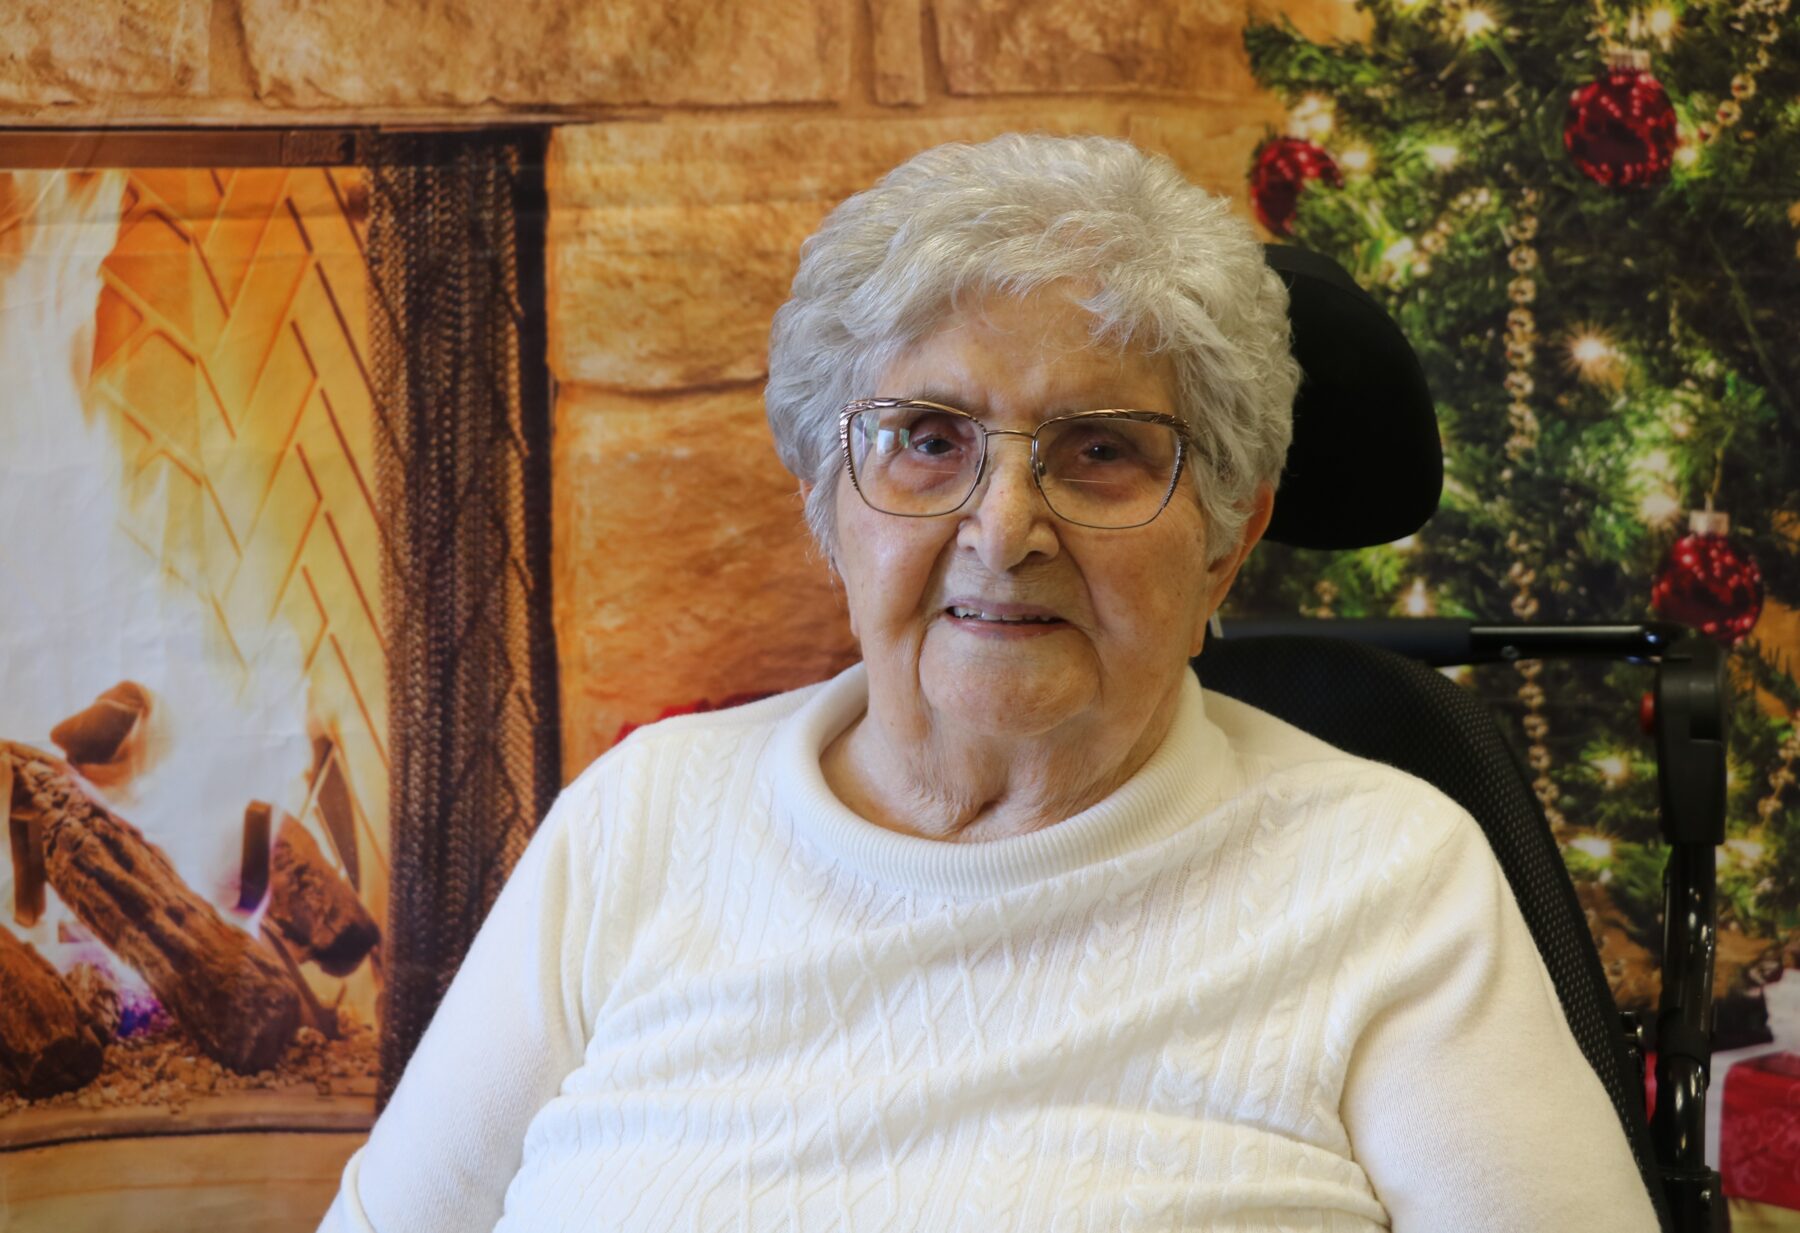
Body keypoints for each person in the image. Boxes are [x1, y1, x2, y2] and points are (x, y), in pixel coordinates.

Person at [320, 133, 1658, 1231]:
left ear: (1227, 540)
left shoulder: (1389, 879)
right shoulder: (642, 819)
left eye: (1102, 451)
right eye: (926, 437)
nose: (1004, 528)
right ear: (829, 506)